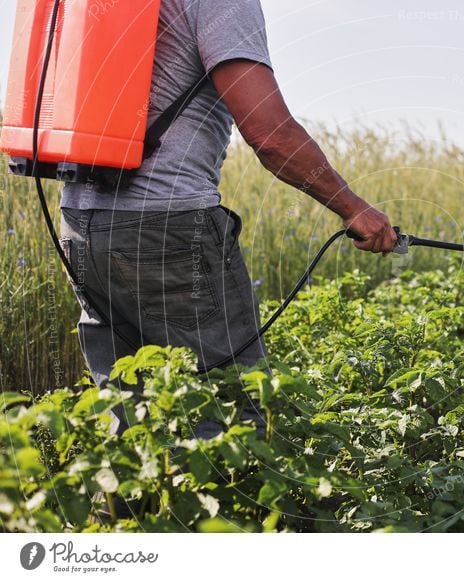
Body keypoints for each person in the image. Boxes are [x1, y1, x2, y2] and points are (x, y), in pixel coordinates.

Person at [58, 0, 397, 440]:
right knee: (232, 413)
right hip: (168, 229)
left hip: (80, 225)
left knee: (128, 416)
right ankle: (237, 506)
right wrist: (353, 208)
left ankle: (129, 507)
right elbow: (271, 135)